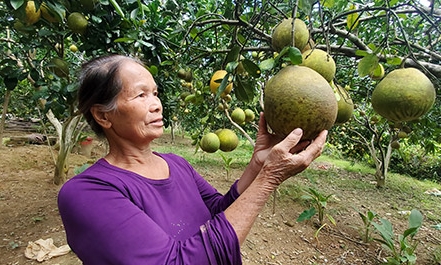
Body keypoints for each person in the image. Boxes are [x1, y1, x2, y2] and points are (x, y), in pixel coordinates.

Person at [58, 54, 328, 265]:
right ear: (103, 116)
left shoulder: (176, 164)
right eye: (141, 95)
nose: (157, 104)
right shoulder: (85, 193)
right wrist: (268, 179)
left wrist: (258, 165)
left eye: (155, 93)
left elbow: (219, 211)